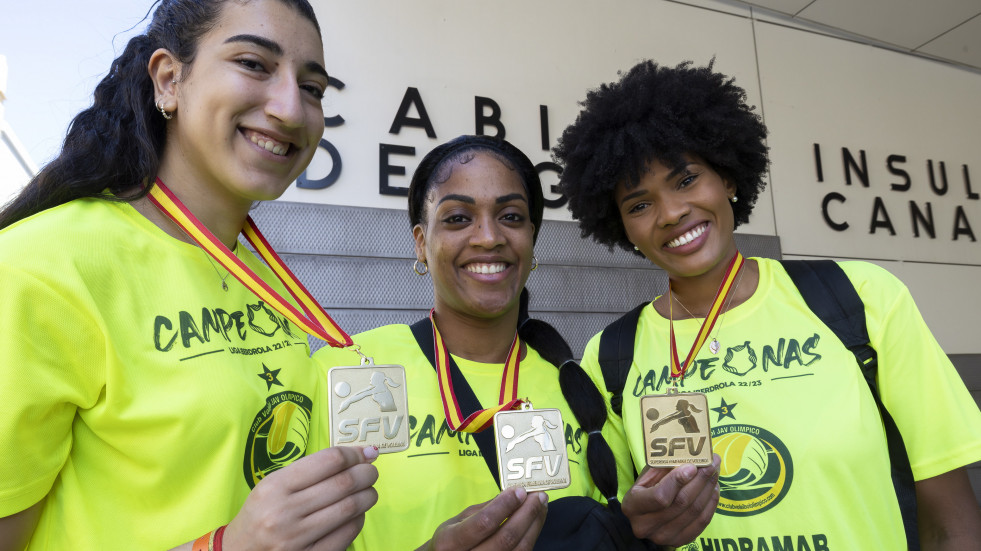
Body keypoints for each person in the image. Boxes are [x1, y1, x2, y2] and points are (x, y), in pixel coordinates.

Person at [553, 59, 981, 549]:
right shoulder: (608, 356)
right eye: (640, 204)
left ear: (728, 178)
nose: (671, 213)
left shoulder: (860, 298)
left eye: (687, 179)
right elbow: (622, 523)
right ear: (623, 228)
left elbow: (952, 523)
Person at [0, 1, 378, 549]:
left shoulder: (263, 274)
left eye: (314, 87)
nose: (292, 109)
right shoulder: (41, 267)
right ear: (169, 80)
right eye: (254, 63)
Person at [314, 135, 697, 550]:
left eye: (511, 217)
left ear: (532, 239)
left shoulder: (580, 386)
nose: (488, 237)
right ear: (421, 244)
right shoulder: (347, 369)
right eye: (458, 218)